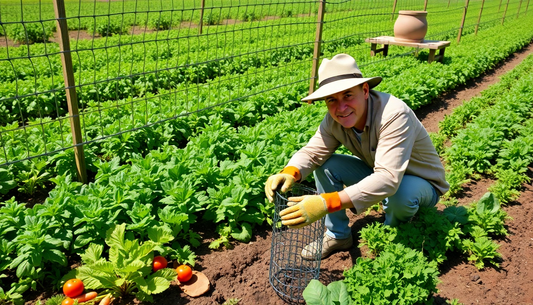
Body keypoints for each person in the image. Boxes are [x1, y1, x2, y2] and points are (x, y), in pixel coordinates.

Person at [264, 53, 449, 260]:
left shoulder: (394, 114)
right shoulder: (333, 120)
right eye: (332, 100)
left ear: (365, 90)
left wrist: (326, 202)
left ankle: (393, 238)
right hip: (380, 174)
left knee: (400, 194)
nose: (341, 108)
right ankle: (338, 235)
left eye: (348, 95)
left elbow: (388, 179)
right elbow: (313, 152)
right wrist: (290, 172)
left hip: (421, 184)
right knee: (327, 165)